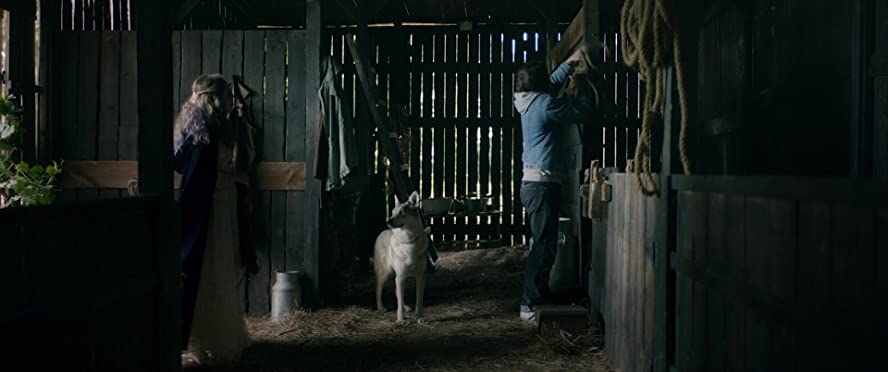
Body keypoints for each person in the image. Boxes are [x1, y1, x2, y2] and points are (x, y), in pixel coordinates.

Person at [514, 46, 598, 321]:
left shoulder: (527, 101)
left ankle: (536, 295)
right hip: (542, 184)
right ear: (540, 86)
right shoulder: (545, 105)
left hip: (532, 183)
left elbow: (549, 84)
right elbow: (583, 111)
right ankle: (529, 303)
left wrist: (570, 64)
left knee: (542, 242)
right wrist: (583, 82)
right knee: (544, 245)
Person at [174, 74, 250, 365]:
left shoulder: (216, 127)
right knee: (205, 269)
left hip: (221, 205)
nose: (231, 99)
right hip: (207, 210)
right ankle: (200, 339)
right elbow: (187, 171)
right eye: (226, 95)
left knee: (218, 268)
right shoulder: (199, 131)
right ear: (212, 98)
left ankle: (210, 337)